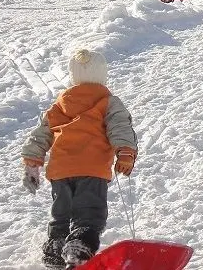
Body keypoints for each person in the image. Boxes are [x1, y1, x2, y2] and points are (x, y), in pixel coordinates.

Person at [21, 48, 138, 269]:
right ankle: (78, 249)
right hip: (91, 170)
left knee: (61, 214)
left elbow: (42, 133)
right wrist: (125, 151)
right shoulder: (108, 101)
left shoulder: (60, 104)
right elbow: (119, 126)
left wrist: (32, 163)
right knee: (89, 214)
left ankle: (55, 252)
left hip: (60, 171)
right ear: (103, 75)